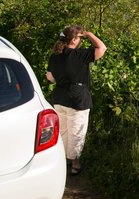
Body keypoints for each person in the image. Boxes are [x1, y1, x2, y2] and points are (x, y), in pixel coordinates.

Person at [46, 25, 107, 175]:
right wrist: (89, 34)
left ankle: (62, 161)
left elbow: (50, 77)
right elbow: (102, 48)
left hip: (59, 97)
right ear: (74, 40)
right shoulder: (80, 55)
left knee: (63, 131)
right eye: (80, 38)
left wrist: (62, 80)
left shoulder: (55, 55)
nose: (81, 40)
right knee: (76, 132)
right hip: (77, 98)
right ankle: (75, 165)